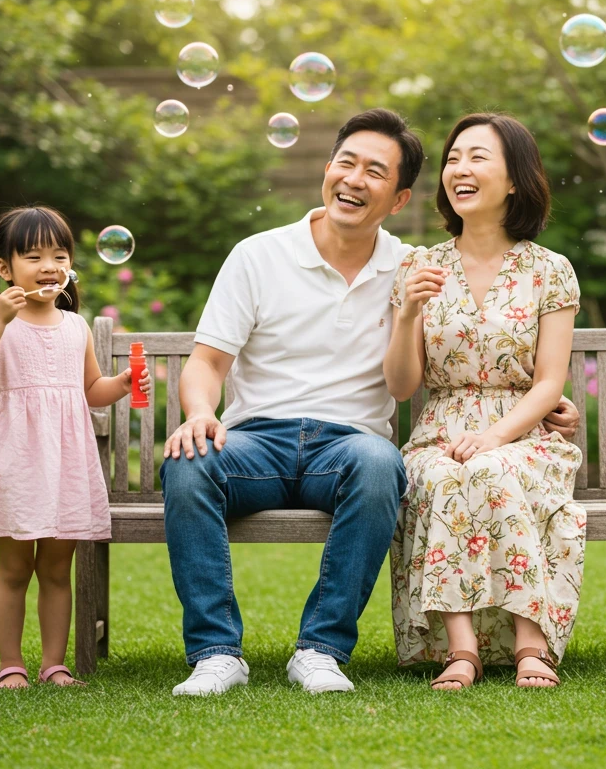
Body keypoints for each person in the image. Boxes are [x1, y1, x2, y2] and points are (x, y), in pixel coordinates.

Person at [159, 108, 580, 696]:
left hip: (349, 446)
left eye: (374, 172)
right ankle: (215, 653)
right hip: (256, 440)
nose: (354, 179)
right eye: (346, 163)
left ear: (400, 197)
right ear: (327, 169)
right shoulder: (258, 255)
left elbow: (477, 354)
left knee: (383, 466)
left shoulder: (409, 264)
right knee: (188, 465)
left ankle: (321, 650)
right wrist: (201, 413)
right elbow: (206, 363)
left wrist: (545, 409)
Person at [384, 112, 586, 690]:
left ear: (515, 178)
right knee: (446, 474)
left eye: (478, 157)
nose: (459, 169)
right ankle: (462, 649)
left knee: (494, 467)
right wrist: (406, 316)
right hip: (439, 430)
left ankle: (532, 643)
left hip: (524, 430)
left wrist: (496, 436)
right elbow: (402, 386)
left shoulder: (550, 270)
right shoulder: (419, 267)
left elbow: (549, 382)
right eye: (452, 158)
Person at [0, 206, 150, 689]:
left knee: (58, 570)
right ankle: (10, 665)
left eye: (60, 255)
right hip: (16, 462)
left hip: (64, 463)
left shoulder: (75, 326)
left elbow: (89, 391)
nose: (50, 265)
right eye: (35, 255)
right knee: (15, 569)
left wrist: (122, 382)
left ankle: (53, 664)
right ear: (5, 269)